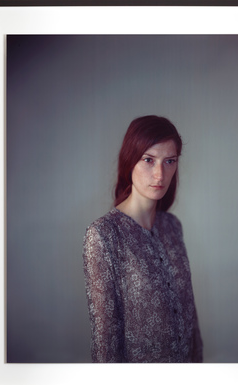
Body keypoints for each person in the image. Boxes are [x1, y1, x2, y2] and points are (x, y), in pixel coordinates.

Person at [83, 115, 203, 363]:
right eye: (149, 160)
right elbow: (105, 342)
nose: (160, 174)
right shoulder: (104, 236)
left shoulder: (172, 226)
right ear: (130, 160)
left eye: (169, 161)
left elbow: (190, 316)